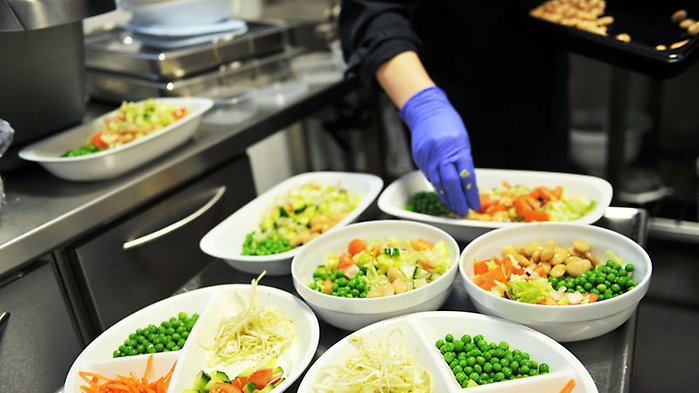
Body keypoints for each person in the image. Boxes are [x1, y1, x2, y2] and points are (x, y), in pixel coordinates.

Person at [339, 1, 570, 216]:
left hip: (539, 84)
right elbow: (372, 9)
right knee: (450, 202)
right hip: (438, 82)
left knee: (551, 207)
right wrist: (423, 104)